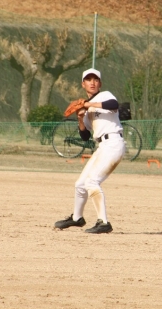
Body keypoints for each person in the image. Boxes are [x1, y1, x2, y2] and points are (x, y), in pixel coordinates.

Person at [54, 68, 125, 234]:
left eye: (95, 79)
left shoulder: (105, 95)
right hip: (102, 146)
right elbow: (85, 136)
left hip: (113, 142)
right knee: (80, 184)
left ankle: (103, 222)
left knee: (92, 182)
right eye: (88, 79)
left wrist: (88, 104)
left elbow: (114, 105)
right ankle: (77, 218)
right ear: (83, 84)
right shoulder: (85, 108)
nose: (92, 82)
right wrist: (80, 118)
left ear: (100, 83)